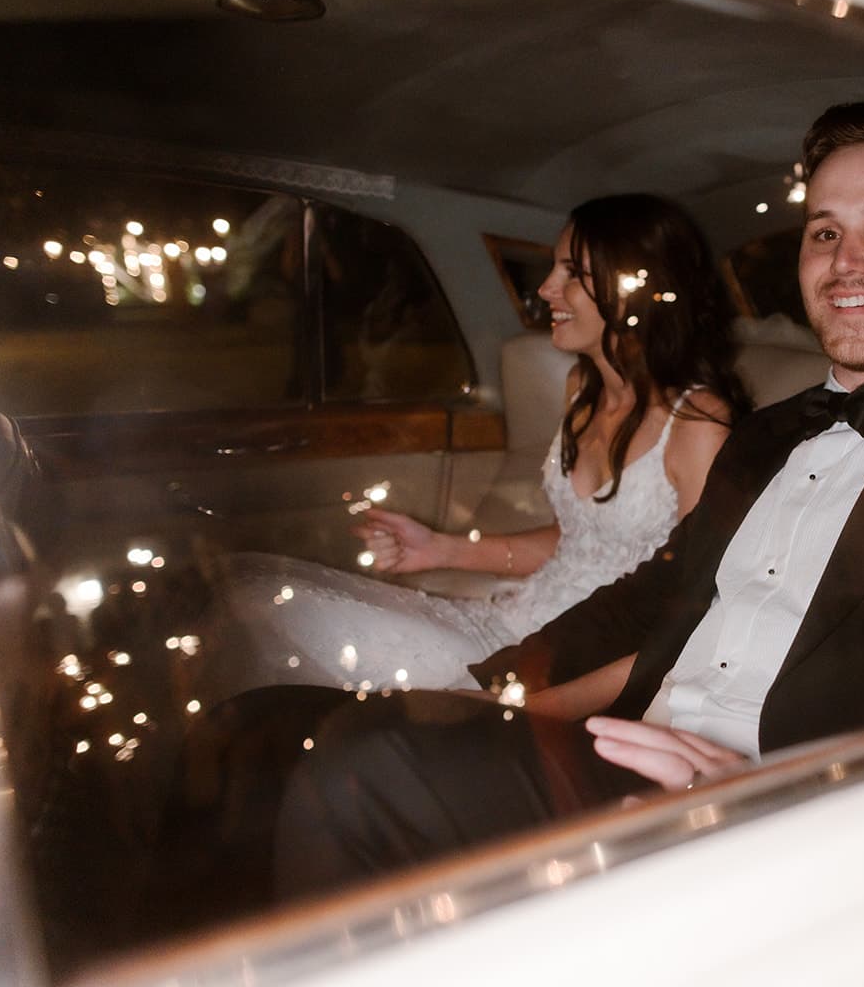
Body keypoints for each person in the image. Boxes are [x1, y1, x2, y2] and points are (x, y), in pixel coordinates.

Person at [146, 98, 864, 927]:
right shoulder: (768, 434)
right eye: (824, 231)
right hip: (631, 747)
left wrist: (802, 784)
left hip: (803, 812)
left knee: (364, 768)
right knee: (289, 730)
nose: (844, 261)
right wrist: (497, 685)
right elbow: (658, 587)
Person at [192, 194, 752, 702]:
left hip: (563, 659)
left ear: (633, 288)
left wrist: (550, 705)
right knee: (251, 592)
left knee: (270, 605)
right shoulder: (582, 390)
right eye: (554, 268)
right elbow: (583, 541)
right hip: (507, 618)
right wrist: (440, 550)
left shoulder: (699, 426)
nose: (546, 289)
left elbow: (694, 605)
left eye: (572, 274)